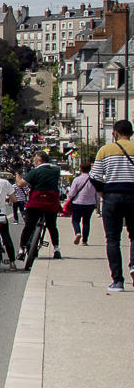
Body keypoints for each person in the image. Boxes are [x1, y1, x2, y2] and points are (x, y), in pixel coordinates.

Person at [90, 119, 134, 291]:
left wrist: (102, 192)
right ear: (131, 134)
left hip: (112, 197)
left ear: (115, 133)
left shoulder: (105, 150)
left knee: (113, 239)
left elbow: (94, 176)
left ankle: (117, 281)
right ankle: (133, 266)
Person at [19, 150, 63, 265]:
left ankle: (22, 249)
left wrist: (17, 177)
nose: (34, 163)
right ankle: (56, 248)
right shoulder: (56, 171)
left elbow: (21, 184)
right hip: (51, 202)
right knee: (52, 225)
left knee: (29, 226)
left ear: (39, 160)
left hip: (36, 202)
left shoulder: (35, 171)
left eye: (35, 161)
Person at [66, 159, 97, 246]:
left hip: (78, 202)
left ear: (80, 169)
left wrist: (70, 198)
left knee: (75, 220)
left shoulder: (77, 180)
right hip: (90, 203)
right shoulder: (93, 180)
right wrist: (97, 202)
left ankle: (77, 232)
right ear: (89, 169)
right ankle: (84, 241)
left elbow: (72, 193)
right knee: (86, 221)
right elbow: (97, 193)